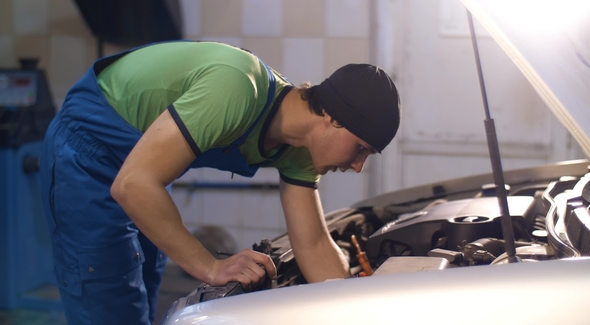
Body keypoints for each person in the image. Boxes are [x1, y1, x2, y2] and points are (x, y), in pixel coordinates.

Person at [39, 41, 400, 324]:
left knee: (143, 285)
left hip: (142, 165)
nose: (357, 166)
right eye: (361, 148)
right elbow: (132, 184)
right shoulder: (237, 88)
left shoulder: (298, 149)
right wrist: (210, 265)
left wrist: (355, 306)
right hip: (88, 152)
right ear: (332, 118)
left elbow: (314, 244)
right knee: (107, 294)